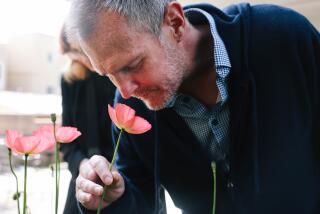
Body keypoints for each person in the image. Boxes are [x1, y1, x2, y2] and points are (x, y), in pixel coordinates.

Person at [67, 1, 320, 213]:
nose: (124, 91)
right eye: (108, 75)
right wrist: (111, 198)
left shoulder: (285, 39)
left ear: (175, 23)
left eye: (132, 65)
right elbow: (140, 200)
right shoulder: (131, 106)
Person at [59, 25, 116, 214]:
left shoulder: (120, 75)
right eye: (71, 53)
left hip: (120, 175)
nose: (77, 58)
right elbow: (67, 140)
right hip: (83, 176)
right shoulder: (71, 80)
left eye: (78, 50)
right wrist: (83, 166)